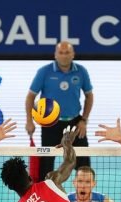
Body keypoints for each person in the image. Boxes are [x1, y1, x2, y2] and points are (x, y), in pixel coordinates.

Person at [26, 40, 93, 180]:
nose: (64, 56)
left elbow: (89, 96)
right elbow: (30, 97)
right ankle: (44, 197)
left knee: (84, 164)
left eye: (67, 52)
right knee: (45, 165)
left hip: (75, 123)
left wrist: (84, 120)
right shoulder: (44, 72)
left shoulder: (81, 72)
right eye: (61, 53)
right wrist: (29, 121)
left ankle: (85, 195)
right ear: (55, 55)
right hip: (50, 123)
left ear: (73, 54)